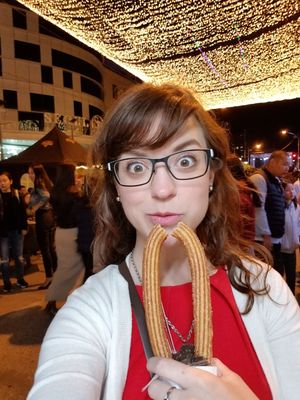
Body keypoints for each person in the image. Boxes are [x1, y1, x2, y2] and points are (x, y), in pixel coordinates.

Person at [28, 83, 300, 399]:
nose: (162, 189)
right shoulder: (88, 310)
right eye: (136, 165)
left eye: (185, 161)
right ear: (116, 186)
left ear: (211, 174)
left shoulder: (266, 289)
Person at [44, 164, 85, 316]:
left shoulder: (55, 192)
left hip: (60, 233)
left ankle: (52, 302)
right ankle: (55, 302)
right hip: (72, 234)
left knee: (64, 269)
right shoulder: (73, 192)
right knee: (72, 270)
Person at [249, 150, 289, 275]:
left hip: (274, 237)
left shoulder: (275, 180)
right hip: (262, 239)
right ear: (272, 162)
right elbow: (258, 208)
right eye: (285, 164)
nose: (288, 168)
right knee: (265, 275)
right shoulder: (259, 178)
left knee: (276, 273)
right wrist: (265, 234)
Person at [28, 164, 57, 289]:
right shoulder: (46, 183)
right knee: (51, 249)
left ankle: (49, 278)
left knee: (45, 250)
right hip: (50, 217)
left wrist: (35, 207)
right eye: (29, 173)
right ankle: (55, 275)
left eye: (32, 173)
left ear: (37, 174)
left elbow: (46, 196)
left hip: (43, 217)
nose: (30, 175)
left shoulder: (38, 185)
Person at [0, 171, 28, 292]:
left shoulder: (17, 194)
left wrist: (24, 227)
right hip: (2, 233)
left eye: (4, 180)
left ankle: (20, 279)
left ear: (11, 181)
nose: (2, 183)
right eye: (0, 181)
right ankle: (6, 282)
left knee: (19, 257)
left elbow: (23, 213)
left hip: (16, 231)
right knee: (5, 259)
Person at [227, 155, 261, 242]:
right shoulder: (243, 190)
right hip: (245, 244)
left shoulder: (237, 194)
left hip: (239, 247)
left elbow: (236, 229)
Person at [280, 181, 300, 294]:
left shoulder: (297, 207)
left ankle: (291, 296)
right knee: (280, 275)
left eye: (292, 190)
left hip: (292, 248)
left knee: (291, 276)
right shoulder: (279, 207)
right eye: (288, 190)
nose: (291, 192)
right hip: (281, 248)